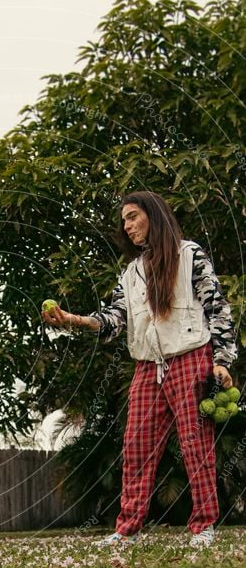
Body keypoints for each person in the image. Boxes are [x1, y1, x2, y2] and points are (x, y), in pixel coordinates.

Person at [42, 191, 237, 549]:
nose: (127, 226)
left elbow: (217, 308)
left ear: (154, 215)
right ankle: (127, 528)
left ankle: (204, 525)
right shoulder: (131, 273)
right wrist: (72, 319)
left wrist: (222, 360)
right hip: (147, 366)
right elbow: (114, 319)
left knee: (196, 446)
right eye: (124, 221)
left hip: (191, 355)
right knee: (136, 447)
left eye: (133, 216)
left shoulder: (189, 255)